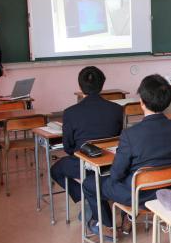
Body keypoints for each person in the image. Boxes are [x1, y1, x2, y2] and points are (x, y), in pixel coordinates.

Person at [83, 74, 171, 236]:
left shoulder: (130, 134)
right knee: (128, 176)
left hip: (136, 194)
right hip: (166, 190)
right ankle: (127, 218)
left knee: (90, 183)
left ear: (142, 102)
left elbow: (116, 174)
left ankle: (107, 226)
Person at [50, 66, 123, 211]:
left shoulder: (70, 113)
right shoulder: (116, 109)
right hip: (110, 165)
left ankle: (86, 196)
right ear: (102, 84)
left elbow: (68, 147)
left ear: (80, 86)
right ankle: (93, 194)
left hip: (83, 165)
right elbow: (118, 136)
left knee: (56, 170)